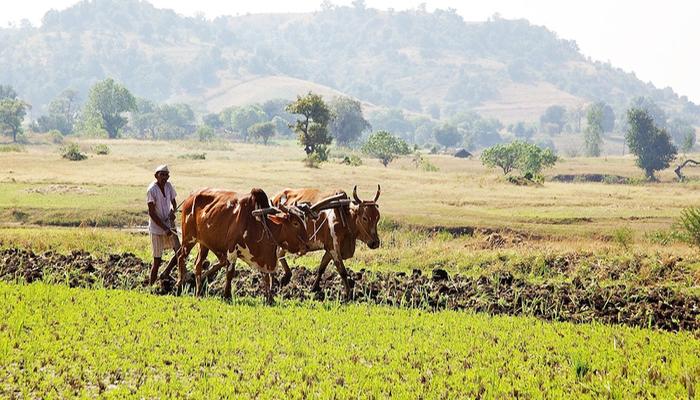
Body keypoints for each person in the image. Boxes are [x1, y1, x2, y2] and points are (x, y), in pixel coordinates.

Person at [147, 164, 181, 285]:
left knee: (179, 252)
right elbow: (151, 212)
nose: (164, 177)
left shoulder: (169, 186)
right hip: (157, 229)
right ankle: (151, 286)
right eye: (162, 175)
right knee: (157, 260)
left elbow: (174, 202)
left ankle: (168, 273)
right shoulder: (151, 190)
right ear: (156, 176)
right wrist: (164, 227)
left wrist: (173, 211)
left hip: (168, 225)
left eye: (166, 175)